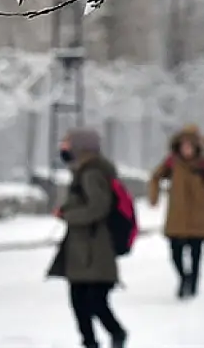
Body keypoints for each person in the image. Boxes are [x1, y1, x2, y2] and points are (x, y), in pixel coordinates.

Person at [47, 128, 128, 348]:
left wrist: (68, 215)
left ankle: (114, 334)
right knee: (80, 300)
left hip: (94, 249)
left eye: (67, 144)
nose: (63, 148)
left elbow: (98, 206)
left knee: (91, 300)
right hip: (83, 248)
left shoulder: (91, 173)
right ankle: (91, 341)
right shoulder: (83, 171)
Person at [148, 125, 204, 299]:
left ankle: (192, 284)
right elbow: (155, 177)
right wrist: (154, 197)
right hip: (177, 215)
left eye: (190, 146)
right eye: (184, 146)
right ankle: (184, 277)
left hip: (198, 214)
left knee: (196, 253)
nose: (187, 150)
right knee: (175, 253)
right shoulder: (172, 163)